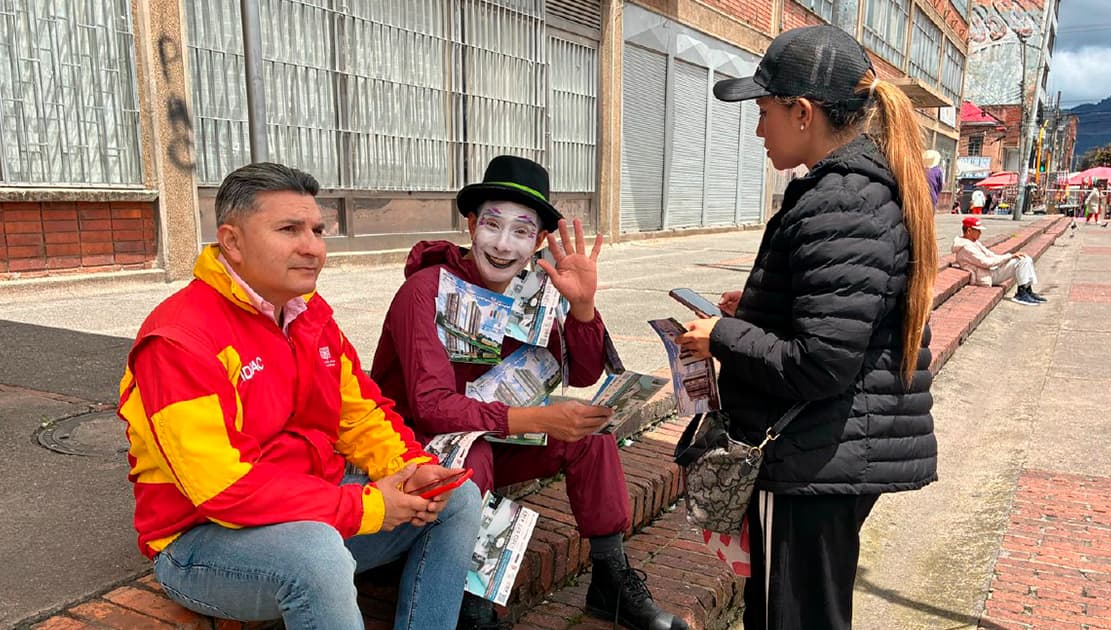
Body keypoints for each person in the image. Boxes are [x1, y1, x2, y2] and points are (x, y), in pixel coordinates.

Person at [118, 162, 481, 630]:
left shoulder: (309, 314)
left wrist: (409, 469)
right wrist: (365, 507)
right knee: (316, 554)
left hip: (313, 508)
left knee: (457, 499)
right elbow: (222, 490)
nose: (312, 247)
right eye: (289, 229)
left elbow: (361, 415)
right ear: (232, 241)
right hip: (202, 543)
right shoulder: (179, 340)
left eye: (316, 229)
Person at [680, 25, 939, 629]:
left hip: (813, 454)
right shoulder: (851, 191)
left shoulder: (840, 200)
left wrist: (719, 336)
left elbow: (820, 361)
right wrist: (763, 305)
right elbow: (850, 309)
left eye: (765, 111)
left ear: (803, 112)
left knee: (789, 618)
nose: (758, 129)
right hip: (831, 446)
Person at [371, 155, 687, 630]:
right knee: (472, 457)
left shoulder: (535, 292)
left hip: (497, 434)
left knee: (591, 436)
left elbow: (578, 373)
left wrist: (582, 306)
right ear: (471, 224)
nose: (502, 245)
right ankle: (470, 604)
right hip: (413, 446)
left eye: (521, 231)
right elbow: (430, 407)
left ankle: (610, 577)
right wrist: (536, 420)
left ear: (539, 241)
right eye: (492, 225)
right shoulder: (425, 290)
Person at [951, 216, 1045, 305]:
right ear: (969, 231)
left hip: (991, 270)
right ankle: (1021, 293)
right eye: (978, 230)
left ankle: (1027, 289)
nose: (980, 233)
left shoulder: (974, 242)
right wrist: (1009, 256)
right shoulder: (966, 248)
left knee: (1025, 258)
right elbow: (985, 263)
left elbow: (991, 255)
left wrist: (1009, 257)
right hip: (987, 275)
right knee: (1021, 261)